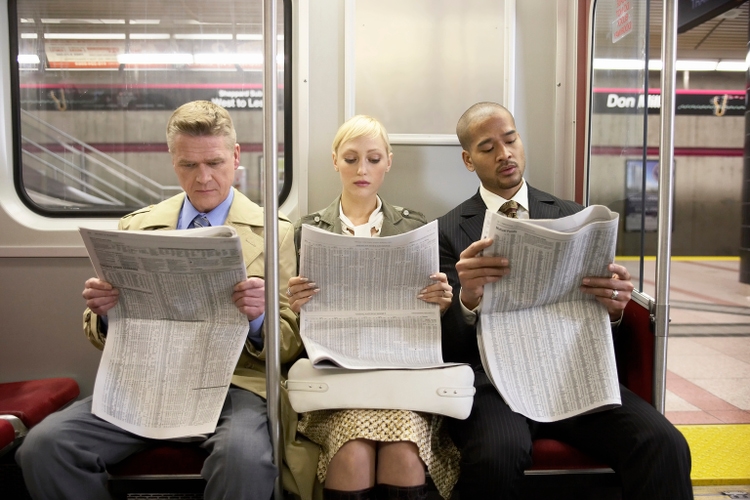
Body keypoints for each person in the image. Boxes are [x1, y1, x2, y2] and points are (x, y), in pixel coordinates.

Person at [15, 100, 314, 500]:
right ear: (172, 161)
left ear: (236, 157)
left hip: (235, 385)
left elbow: (291, 343)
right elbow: (101, 334)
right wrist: (103, 313)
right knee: (45, 447)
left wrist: (258, 319)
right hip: (148, 381)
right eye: (189, 166)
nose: (203, 178)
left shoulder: (275, 233)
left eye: (214, 163)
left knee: (243, 458)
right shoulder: (138, 226)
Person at [437, 102, 693, 499]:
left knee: (663, 443)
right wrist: (467, 299)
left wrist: (614, 310)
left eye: (511, 140)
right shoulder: (447, 232)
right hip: (496, 382)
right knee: (496, 455)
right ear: (469, 160)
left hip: (571, 374)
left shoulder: (574, 216)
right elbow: (447, 346)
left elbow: (599, 318)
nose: (505, 154)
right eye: (488, 148)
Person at [286, 115, 460, 500]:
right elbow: (298, 330)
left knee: (403, 450)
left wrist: (442, 305)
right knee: (351, 452)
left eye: (373, 159)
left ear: (389, 162)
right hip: (338, 385)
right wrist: (298, 308)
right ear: (335, 161)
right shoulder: (308, 231)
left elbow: (430, 318)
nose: (362, 169)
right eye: (351, 159)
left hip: (401, 381)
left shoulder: (414, 227)